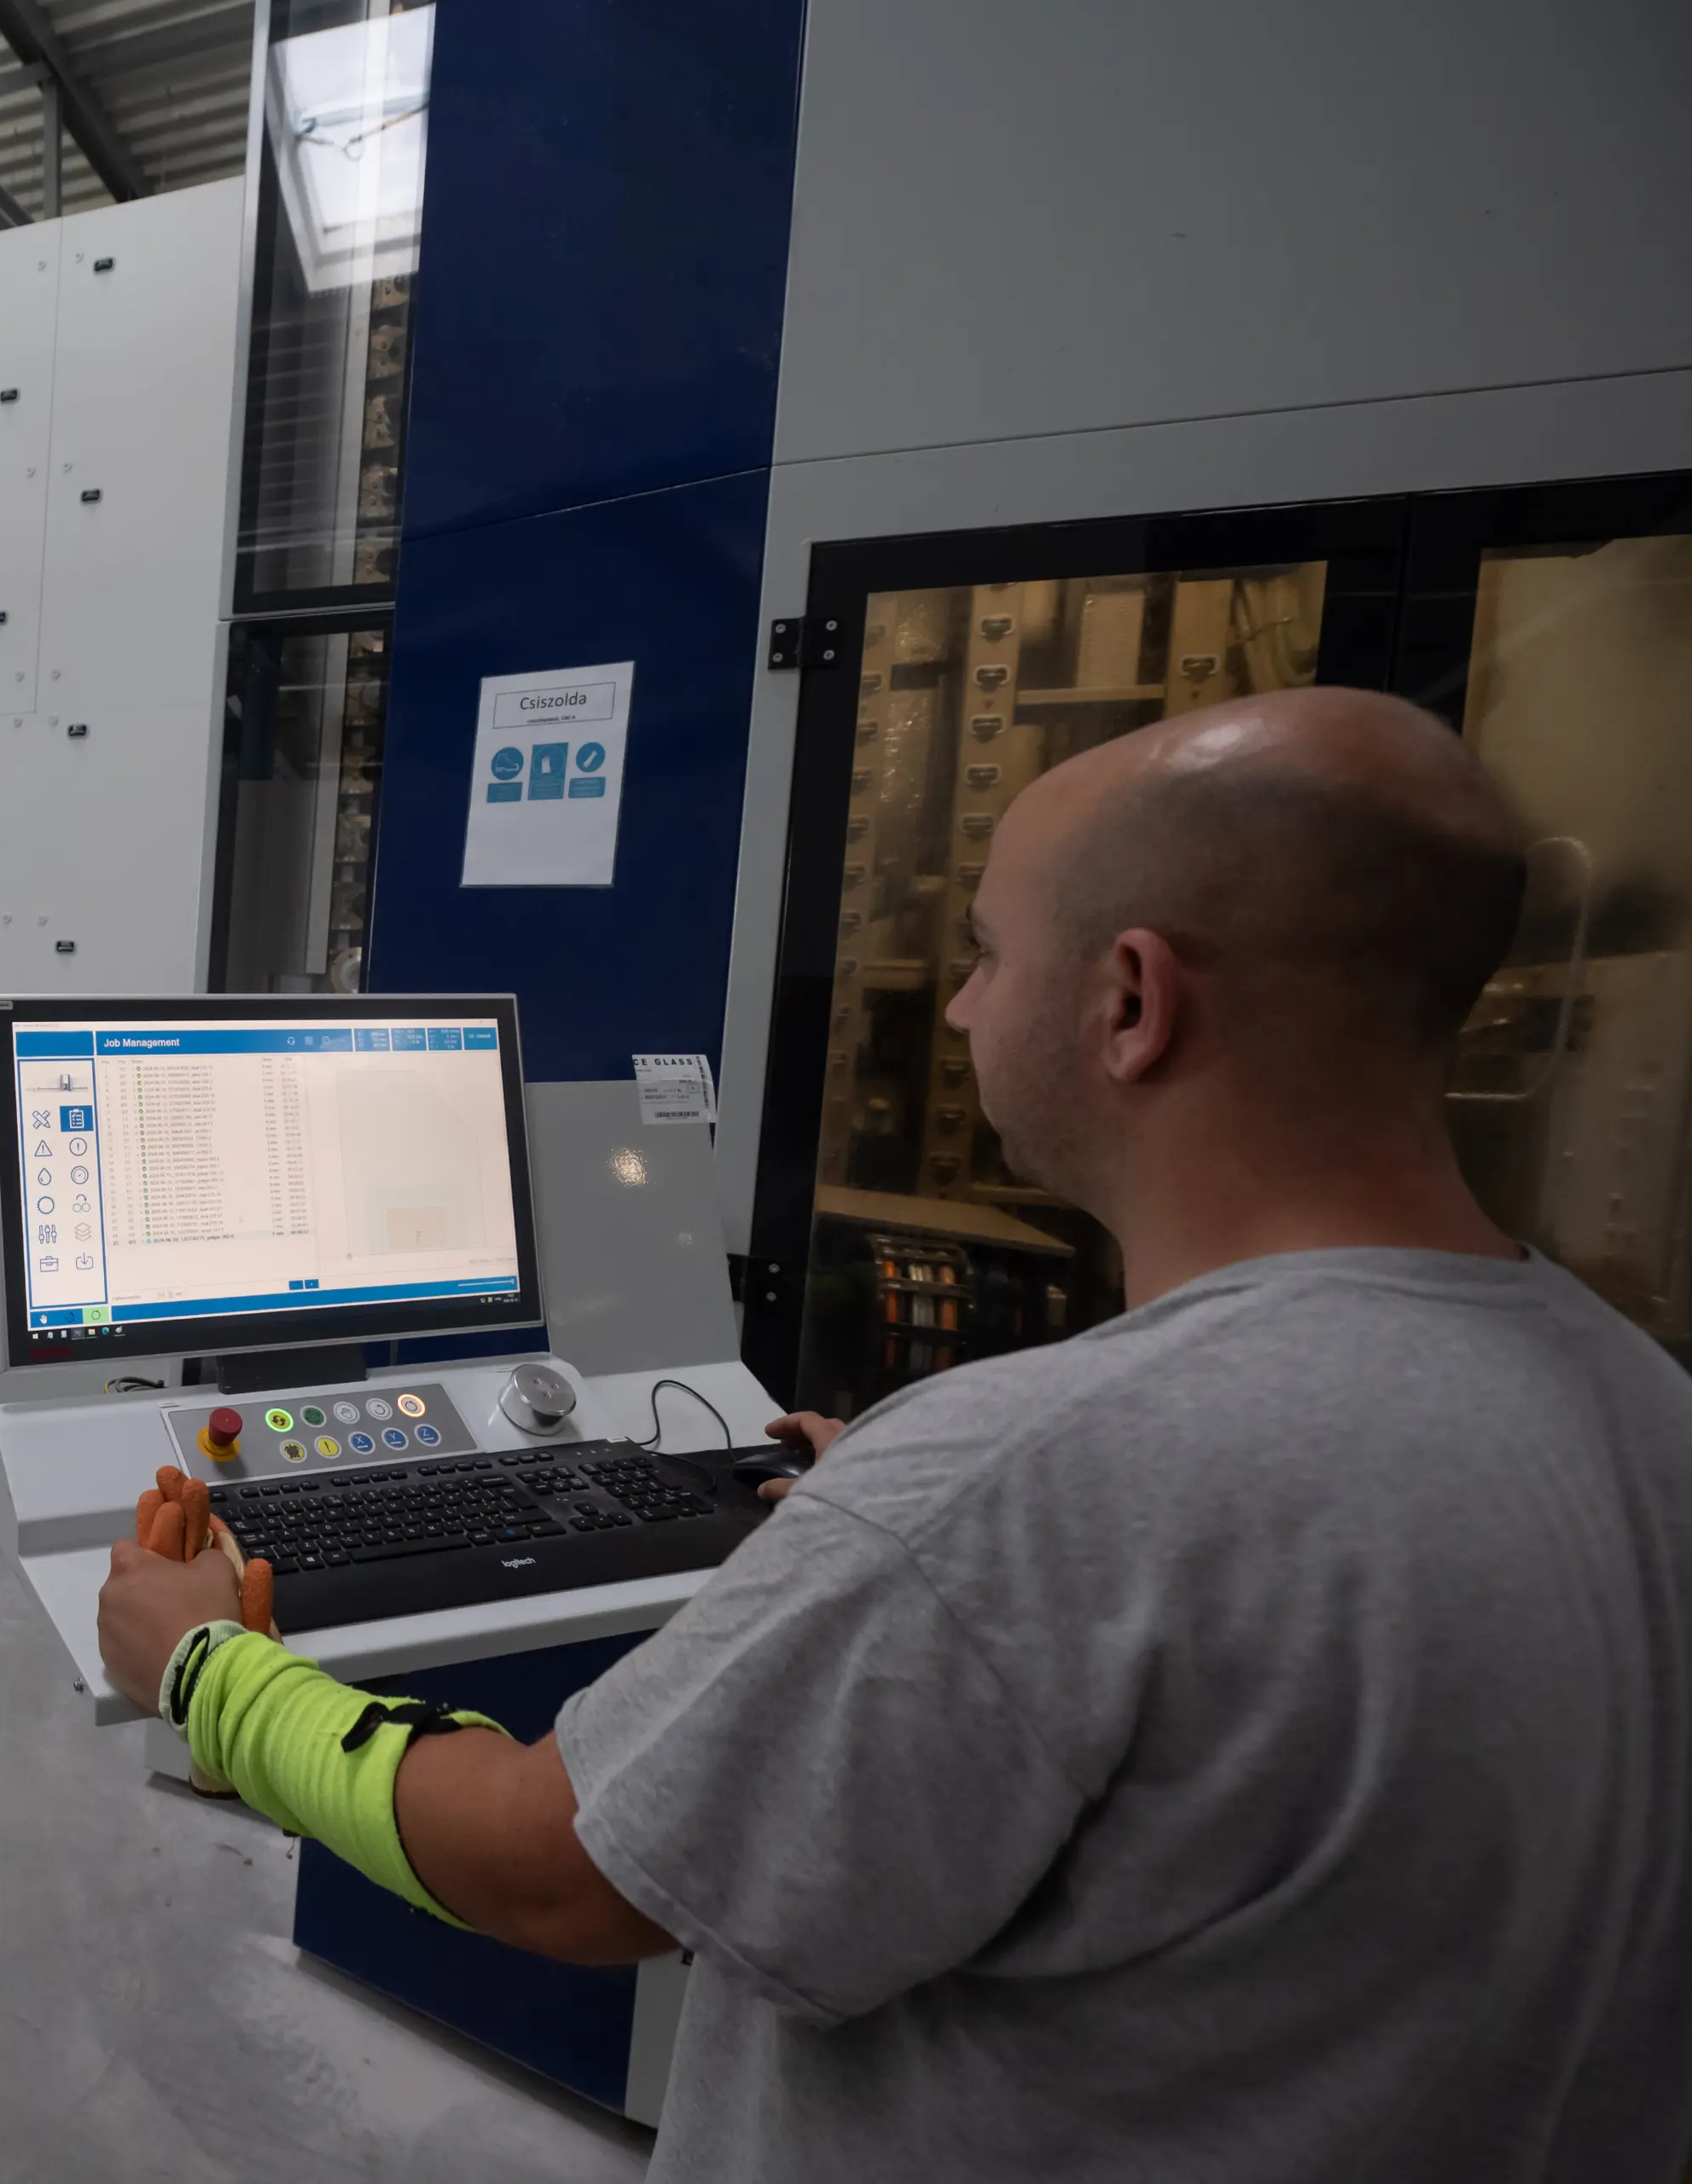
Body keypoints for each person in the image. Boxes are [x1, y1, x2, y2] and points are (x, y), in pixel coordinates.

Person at [96, 686, 1692, 2181]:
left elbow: (551, 1866)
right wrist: (918, 1552)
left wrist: (206, 1675)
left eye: (989, 956)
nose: (963, 1011)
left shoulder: (1032, 1479)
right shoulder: (1638, 1409)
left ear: (1133, 999)